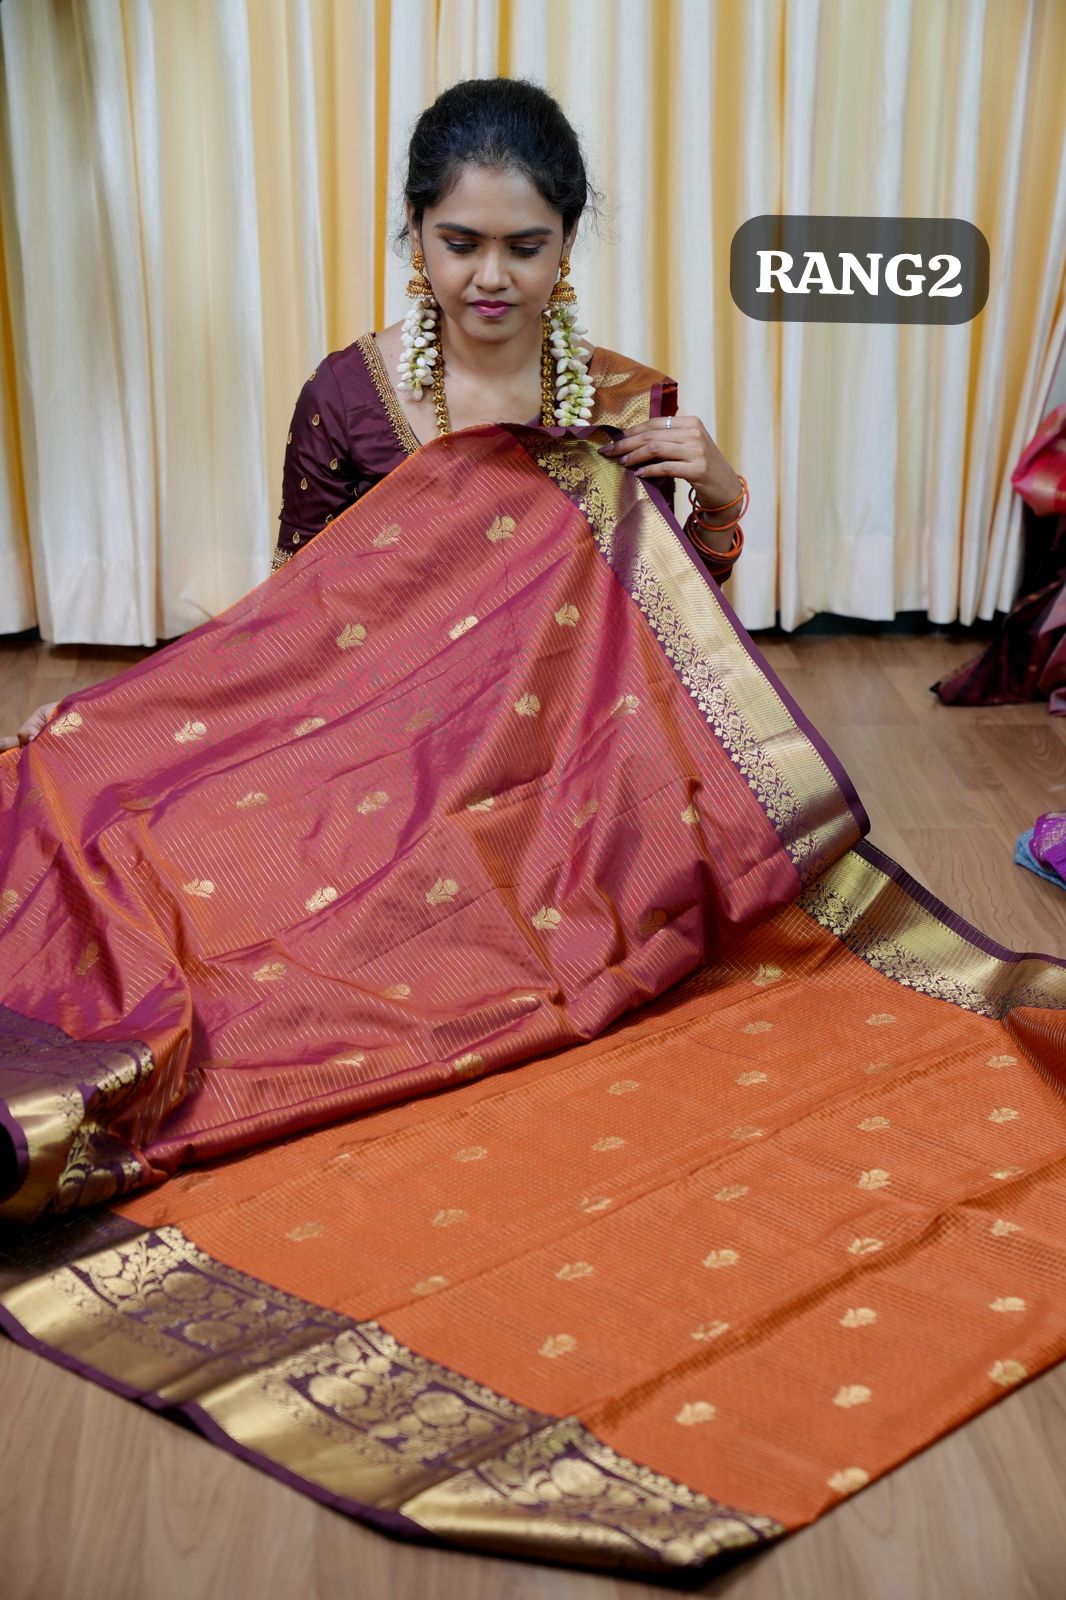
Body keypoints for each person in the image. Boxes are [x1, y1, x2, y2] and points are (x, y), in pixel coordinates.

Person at [2, 77, 747, 754]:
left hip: (565, 744)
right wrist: (115, 715)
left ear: (568, 239)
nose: (491, 277)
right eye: (461, 244)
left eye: (525, 248)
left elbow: (668, 632)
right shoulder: (348, 397)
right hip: (379, 738)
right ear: (417, 228)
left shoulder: (618, 405)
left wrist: (719, 498)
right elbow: (289, 622)